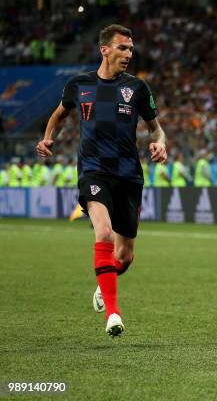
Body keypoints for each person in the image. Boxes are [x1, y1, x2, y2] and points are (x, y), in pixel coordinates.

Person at [36, 24, 167, 337]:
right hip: (94, 172)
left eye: (131, 49)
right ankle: (113, 313)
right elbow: (58, 115)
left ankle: (104, 280)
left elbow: (156, 128)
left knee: (125, 256)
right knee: (104, 233)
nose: (128, 54)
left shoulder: (137, 88)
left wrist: (160, 142)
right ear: (104, 49)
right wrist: (47, 138)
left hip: (129, 175)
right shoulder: (78, 85)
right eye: (122, 48)